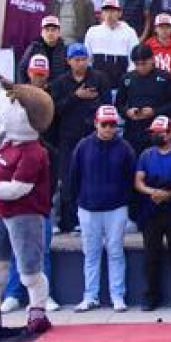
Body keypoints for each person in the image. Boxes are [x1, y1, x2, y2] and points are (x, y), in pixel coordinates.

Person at [0, 77, 55, 335]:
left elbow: (18, 188)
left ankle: (37, 309)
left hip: (25, 214)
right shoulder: (9, 142)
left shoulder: (34, 152)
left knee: (30, 270)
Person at [69, 105, 134, 313]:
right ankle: (90, 296)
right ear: (96, 123)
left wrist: (125, 201)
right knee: (91, 253)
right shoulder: (83, 146)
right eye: (104, 124)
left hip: (116, 208)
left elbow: (131, 177)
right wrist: (77, 202)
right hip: (88, 208)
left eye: (112, 125)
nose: (108, 128)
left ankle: (118, 296)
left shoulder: (124, 147)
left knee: (115, 252)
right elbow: (74, 176)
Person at [134, 116, 171, 311]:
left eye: (159, 132)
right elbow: (138, 181)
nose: (155, 135)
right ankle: (151, 297)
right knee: (151, 257)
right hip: (151, 210)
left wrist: (169, 194)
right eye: (153, 132)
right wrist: (154, 192)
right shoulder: (145, 155)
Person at [49, 44, 108, 234]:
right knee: (68, 179)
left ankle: (93, 219)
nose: (80, 63)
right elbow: (55, 110)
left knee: (93, 177)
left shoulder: (99, 78)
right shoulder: (60, 82)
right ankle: (70, 220)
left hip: (93, 137)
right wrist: (76, 96)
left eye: (83, 59)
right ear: (68, 61)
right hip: (68, 138)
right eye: (76, 60)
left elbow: (107, 105)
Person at [115, 44, 171, 158]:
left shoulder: (165, 78)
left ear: (152, 59)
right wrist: (127, 112)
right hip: (134, 131)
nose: (141, 67)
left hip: (159, 132)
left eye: (144, 63)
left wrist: (155, 111)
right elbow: (119, 104)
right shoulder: (127, 78)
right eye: (137, 64)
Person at [84, 0, 140, 91]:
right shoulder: (92, 31)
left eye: (113, 11)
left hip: (121, 85)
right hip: (98, 86)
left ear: (120, 13)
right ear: (102, 13)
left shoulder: (130, 32)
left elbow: (133, 59)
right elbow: (87, 59)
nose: (109, 14)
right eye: (106, 11)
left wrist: (128, 81)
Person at [18, 16, 68, 84]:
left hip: (58, 88)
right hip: (36, 88)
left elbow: (69, 73)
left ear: (59, 33)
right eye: (47, 30)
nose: (50, 33)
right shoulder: (33, 48)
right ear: (41, 33)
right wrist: (25, 88)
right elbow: (22, 69)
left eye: (53, 30)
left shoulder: (65, 50)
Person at [145, 13, 171, 85]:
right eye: (161, 27)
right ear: (155, 29)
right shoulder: (148, 45)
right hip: (153, 85)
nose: (164, 30)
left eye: (167, 27)